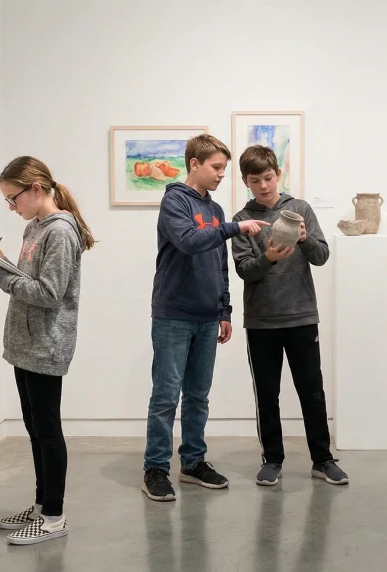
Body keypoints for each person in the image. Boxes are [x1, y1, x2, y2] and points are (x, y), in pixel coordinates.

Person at [0, 155, 96, 544]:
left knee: (47, 429)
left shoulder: (60, 233)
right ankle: (42, 505)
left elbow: (48, 293)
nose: (11, 207)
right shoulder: (34, 228)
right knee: (34, 427)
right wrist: (1, 263)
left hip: (46, 343)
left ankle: (54, 517)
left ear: (36, 189)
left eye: (13, 198)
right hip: (25, 341)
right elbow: (30, 278)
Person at [142, 134, 270, 502]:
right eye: (216, 167)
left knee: (198, 396)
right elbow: (189, 240)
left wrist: (224, 309)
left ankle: (193, 462)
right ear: (194, 164)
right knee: (166, 397)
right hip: (173, 315)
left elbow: (219, 264)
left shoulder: (215, 210)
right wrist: (235, 228)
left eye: (224, 169)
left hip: (207, 315)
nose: (221, 174)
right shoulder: (174, 202)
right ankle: (155, 469)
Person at [230, 145, 348, 486]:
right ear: (245, 181)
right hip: (261, 321)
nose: (264, 186)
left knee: (313, 392)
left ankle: (322, 460)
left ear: (278, 174)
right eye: (255, 181)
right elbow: (243, 270)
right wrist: (268, 258)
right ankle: (272, 460)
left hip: (301, 316)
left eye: (268, 178)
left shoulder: (300, 209)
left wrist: (305, 239)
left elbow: (322, 256)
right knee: (267, 396)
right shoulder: (242, 219)